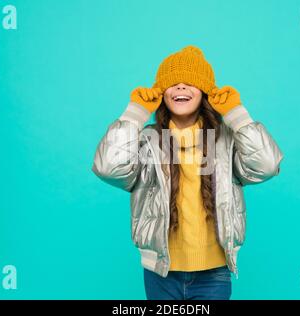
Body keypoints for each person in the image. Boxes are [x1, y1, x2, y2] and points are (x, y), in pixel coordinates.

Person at [92, 45, 284, 300]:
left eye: (190, 82)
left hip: (214, 273)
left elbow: (267, 165)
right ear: (162, 93)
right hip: (160, 273)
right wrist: (134, 114)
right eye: (173, 83)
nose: (181, 87)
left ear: (204, 93)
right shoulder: (148, 141)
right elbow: (108, 167)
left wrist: (237, 116)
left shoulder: (225, 141)